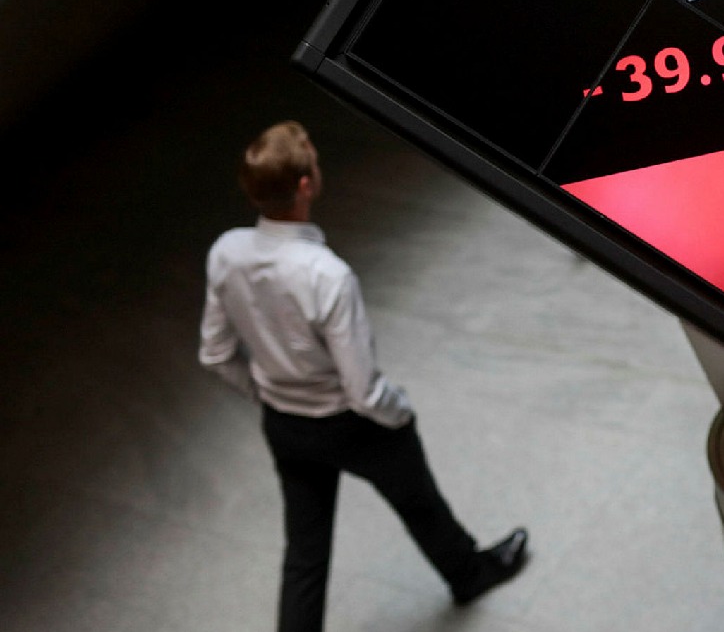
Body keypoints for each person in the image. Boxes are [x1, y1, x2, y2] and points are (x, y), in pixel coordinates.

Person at [198, 120, 527, 632]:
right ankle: (469, 575)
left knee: (305, 554)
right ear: (306, 185)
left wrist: (268, 395)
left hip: (285, 426)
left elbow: (216, 354)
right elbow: (362, 389)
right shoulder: (326, 274)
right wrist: (399, 412)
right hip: (352, 424)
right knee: (419, 504)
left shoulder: (226, 253)